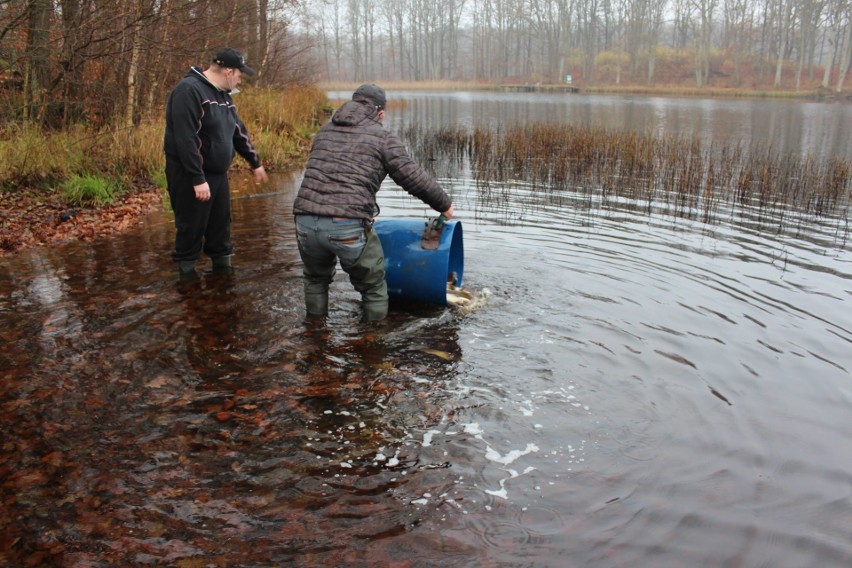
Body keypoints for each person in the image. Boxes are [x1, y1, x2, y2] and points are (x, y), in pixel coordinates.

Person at [293, 83, 455, 322]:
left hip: (304, 220)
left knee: (316, 280)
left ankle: (316, 334)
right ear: (380, 113)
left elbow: (329, 176)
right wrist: (444, 205)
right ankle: (373, 344)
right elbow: (411, 176)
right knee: (373, 288)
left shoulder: (325, 131)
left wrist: (363, 209)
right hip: (345, 225)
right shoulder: (383, 138)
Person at [163, 47, 268, 276]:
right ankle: (189, 291)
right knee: (190, 230)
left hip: (218, 176)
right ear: (228, 72)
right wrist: (197, 178)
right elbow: (185, 139)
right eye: (240, 74)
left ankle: (222, 288)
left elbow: (237, 132)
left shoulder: (224, 96)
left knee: (221, 231)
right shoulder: (188, 91)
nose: (241, 79)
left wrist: (255, 162)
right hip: (190, 176)